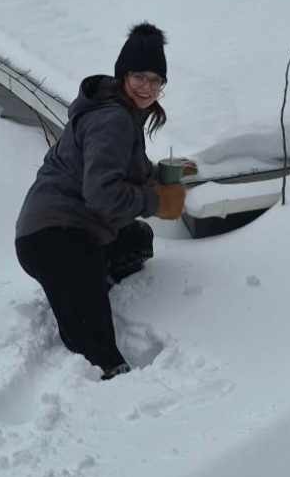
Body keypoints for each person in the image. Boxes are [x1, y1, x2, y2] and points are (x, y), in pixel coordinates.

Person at [15, 23, 187, 380]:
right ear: (123, 75)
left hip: (76, 230)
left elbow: (125, 171)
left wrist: (163, 176)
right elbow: (103, 194)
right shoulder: (113, 119)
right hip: (52, 238)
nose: (148, 87)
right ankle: (105, 374)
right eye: (140, 76)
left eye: (156, 80)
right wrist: (156, 203)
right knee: (98, 350)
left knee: (137, 240)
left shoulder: (123, 113)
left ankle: (89, 281)